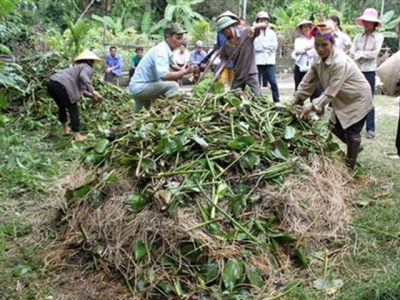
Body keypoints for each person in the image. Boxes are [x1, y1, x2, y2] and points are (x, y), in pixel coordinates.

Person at [290, 23, 373, 169]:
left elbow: (330, 92)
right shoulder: (317, 59)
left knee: (352, 133)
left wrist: (311, 106)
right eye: (317, 45)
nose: (320, 49)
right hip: (342, 97)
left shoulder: (340, 62)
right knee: (334, 127)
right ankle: (354, 147)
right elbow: (307, 82)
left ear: (332, 44)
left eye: (325, 45)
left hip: (358, 97)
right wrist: (294, 100)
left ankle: (350, 167)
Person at [128, 23, 199, 113]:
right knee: (173, 86)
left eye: (181, 38)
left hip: (138, 87)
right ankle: (172, 113)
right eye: (178, 38)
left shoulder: (164, 49)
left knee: (140, 116)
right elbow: (164, 76)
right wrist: (186, 71)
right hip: (141, 87)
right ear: (168, 37)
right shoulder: (161, 51)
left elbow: (168, 69)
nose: (180, 41)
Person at [47, 49, 103, 141]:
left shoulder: (76, 68)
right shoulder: (87, 67)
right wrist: (93, 91)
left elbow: (83, 91)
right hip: (62, 85)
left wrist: (92, 96)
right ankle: (77, 135)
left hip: (52, 83)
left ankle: (66, 128)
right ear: (90, 60)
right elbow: (83, 76)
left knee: (61, 107)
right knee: (73, 109)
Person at [350, 8, 384, 139]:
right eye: (365, 21)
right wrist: (361, 54)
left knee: (369, 100)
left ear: (374, 23)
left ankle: (370, 128)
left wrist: (361, 54)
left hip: (369, 72)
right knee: (355, 98)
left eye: (369, 21)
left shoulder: (379, 37)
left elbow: (374, 54)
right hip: (357, 71)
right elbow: (353, 51)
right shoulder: (358, 37)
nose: (366, 23)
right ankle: (354, 126)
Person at [215, 16, 267, 96]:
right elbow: (225, 59)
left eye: (223, 30)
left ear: (229, 27)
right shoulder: (226, 44)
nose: (222, 33)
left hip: (250, 72)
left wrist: (253, 27)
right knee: (232, 97)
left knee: (258, 96)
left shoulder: (246, 32)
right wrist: (219, 71)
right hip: (238, 74)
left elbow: (264, 24)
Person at [254, 11, 282, 106]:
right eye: (261, 20)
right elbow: (255, 47)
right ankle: (257, 100)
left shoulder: (272, 33)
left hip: (269, 61)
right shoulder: (254, 33)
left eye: (264, 20)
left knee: (273, 82)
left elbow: (274, 46)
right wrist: (266, 47)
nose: (263, 22)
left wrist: (263, 46)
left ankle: (277, 100)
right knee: (257, 82)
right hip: (258, 61)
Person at [215, 11, 241, 90]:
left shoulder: (237, 32)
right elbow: (220, 45)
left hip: (234, 63)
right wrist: (219, 51)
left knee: (233, 83)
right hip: (225, 59)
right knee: (220, 80)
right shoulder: (220, 33)